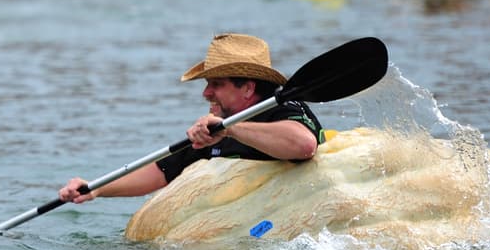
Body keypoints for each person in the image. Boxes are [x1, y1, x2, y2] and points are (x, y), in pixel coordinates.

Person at [58, 34, 324, 205]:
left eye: (216, 84)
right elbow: (160, 172)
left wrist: (230, 130)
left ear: (248, 88)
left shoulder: (286, 106)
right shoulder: (216, 125)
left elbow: (303, 145)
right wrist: (95, 189)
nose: (206, 93)